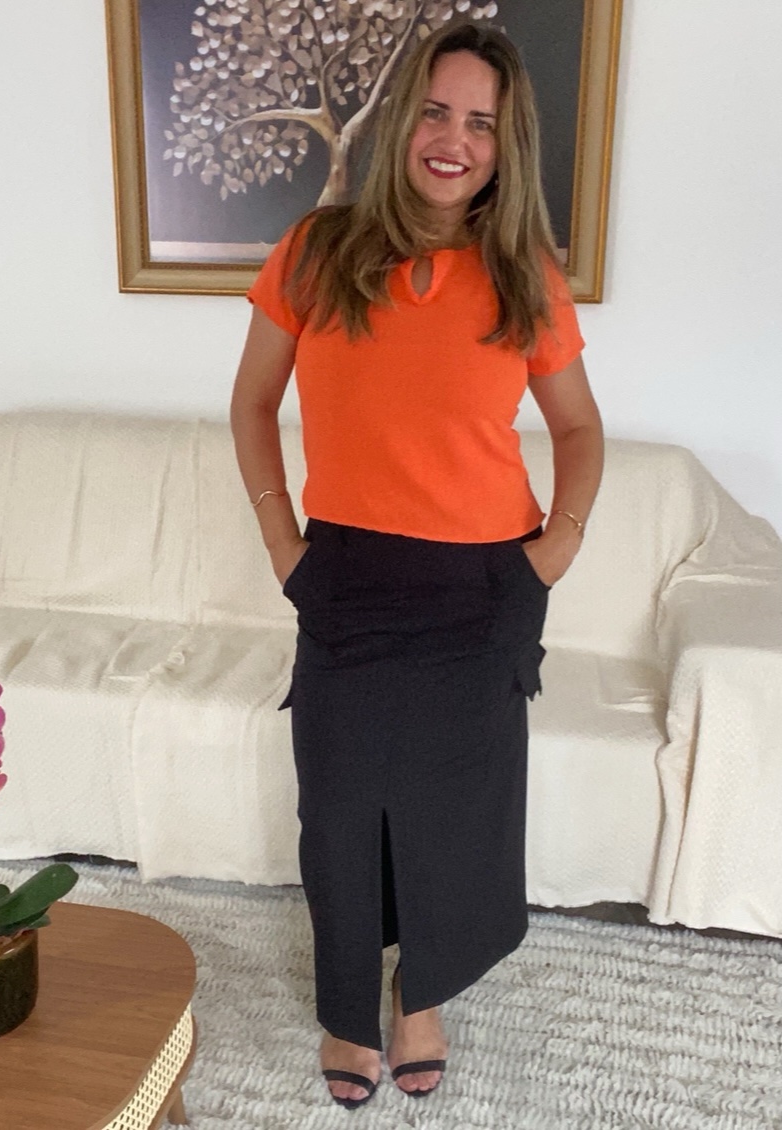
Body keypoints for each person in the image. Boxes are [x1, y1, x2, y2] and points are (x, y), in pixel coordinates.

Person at [230, 20, 604, 1110]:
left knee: (456, 815)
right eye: (436, 111)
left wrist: (557, 546)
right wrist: (282, 543)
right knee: (341, 811)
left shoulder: (524, 275)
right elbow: (252, 405)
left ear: (503, 147)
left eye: (480, 123)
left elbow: (579, 428)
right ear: (401, 118)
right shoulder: (317, 250)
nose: (454, 139)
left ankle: (421, 994)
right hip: (346, 577)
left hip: (483, 586)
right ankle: (346, 1006)